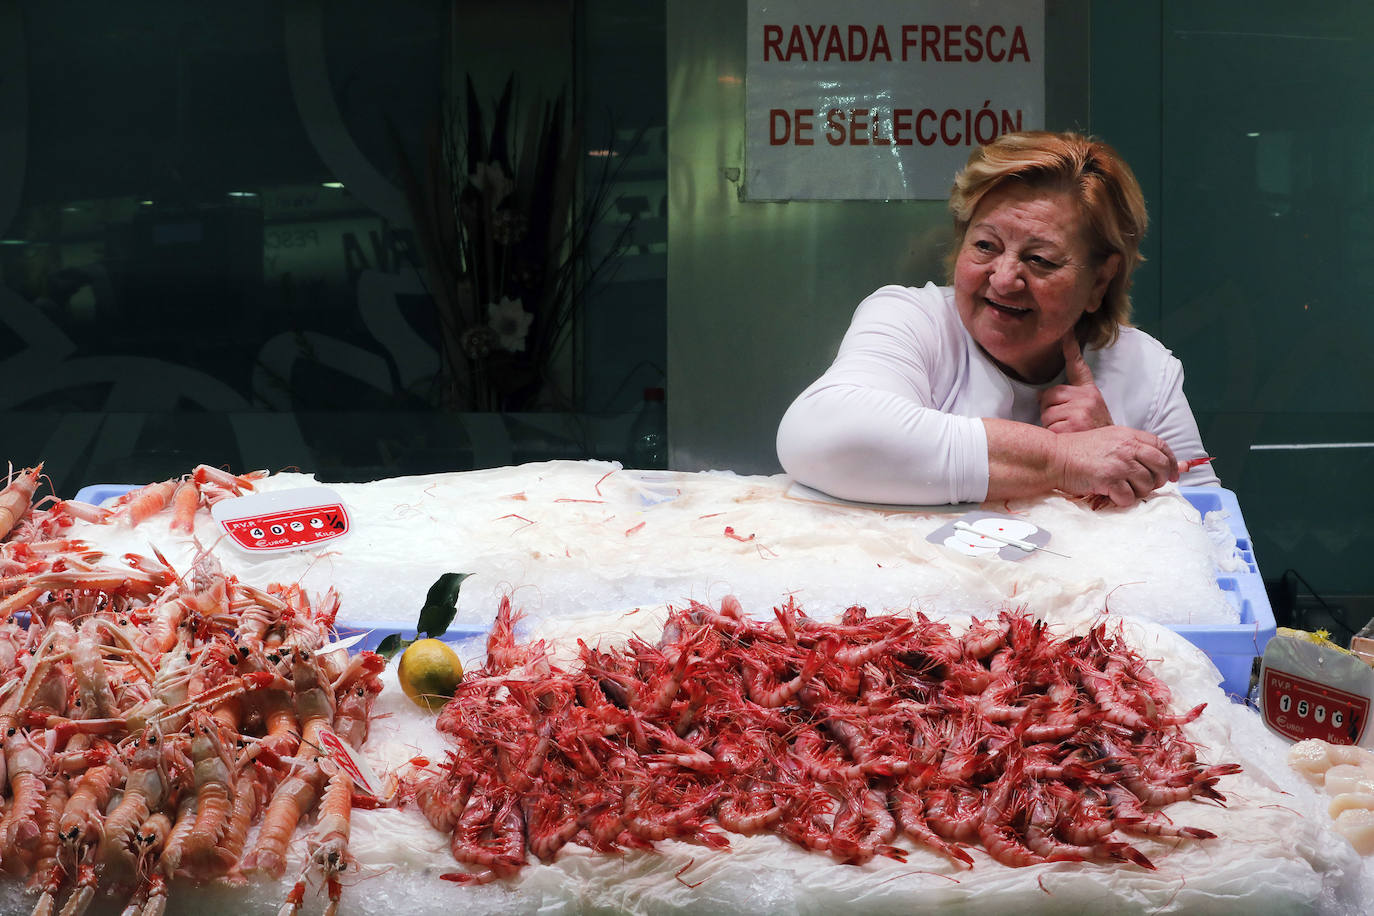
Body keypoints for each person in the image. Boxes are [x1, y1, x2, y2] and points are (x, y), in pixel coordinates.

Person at [776, 130, 1219, 508]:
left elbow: (1208, 533)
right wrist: (1063, 458)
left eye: (1041, 259)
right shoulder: (912, 321)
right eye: (986, 246)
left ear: (1100, 281)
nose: (1005, 279)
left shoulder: (1145, 371)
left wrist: (1120, 464)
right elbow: (820, 438)